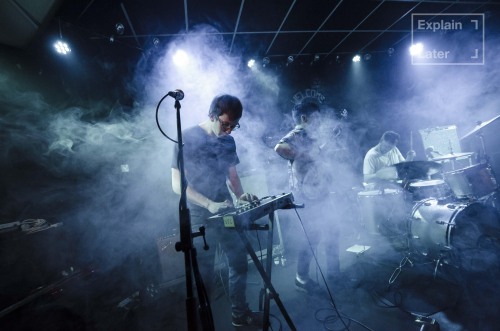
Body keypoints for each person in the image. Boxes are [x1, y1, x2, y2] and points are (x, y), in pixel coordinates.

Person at [171, 94, 262, 327]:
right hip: (200, 214)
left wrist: (241, 195)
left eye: (234, 126)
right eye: (225, 124)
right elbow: (177, 184)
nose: (230, 130)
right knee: (204, 276)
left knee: (239, 263)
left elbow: (232, 174)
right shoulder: (187, 137)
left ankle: (239, 313)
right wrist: (209, 204)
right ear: (212, 115)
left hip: (226, 209)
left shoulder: (227, 141)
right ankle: (206, 324)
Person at [274, 99, 342, 294]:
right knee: (311, 237)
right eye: (316, 118)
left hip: (318, 193)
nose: (319, 121)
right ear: (304, 118)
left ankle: (333, 274)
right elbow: (279, 148)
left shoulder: (310, 136)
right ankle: (301, 279)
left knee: (332, 231)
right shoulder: (299, 132)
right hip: (307, 197)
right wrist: (306, 156)